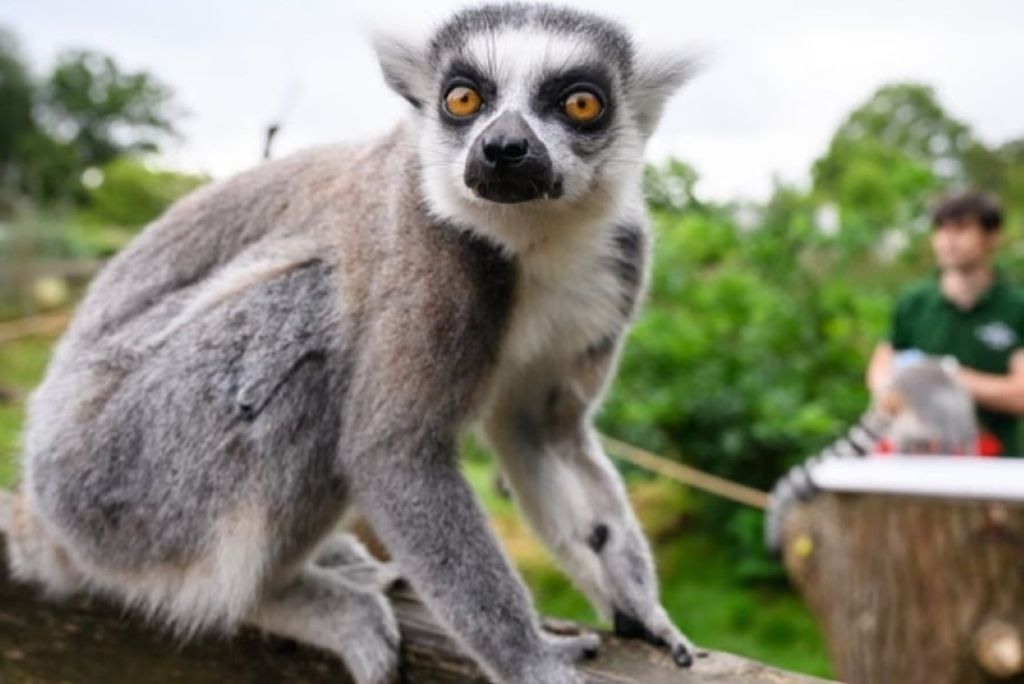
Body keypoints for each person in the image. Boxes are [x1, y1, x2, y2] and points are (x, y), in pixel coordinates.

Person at [866, 191, 1024, 457]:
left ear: (991, 237)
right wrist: (891, 391)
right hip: (919, 459)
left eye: (961, 229)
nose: (948, 240)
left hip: (993, 466)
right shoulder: (915, 302)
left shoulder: (1015, 307)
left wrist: (946, 378)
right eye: (941, 229)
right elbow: (881, 369)